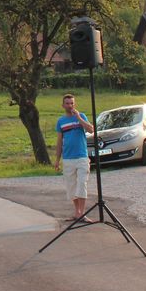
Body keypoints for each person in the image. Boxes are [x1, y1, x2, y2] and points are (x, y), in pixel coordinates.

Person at [53, 93, 94, 222]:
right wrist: (57, 160)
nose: (70, 105)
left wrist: (79, 118)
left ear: (74, 104)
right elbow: (59, 142)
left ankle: (82, 213)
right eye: (67, 103)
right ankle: (77, 213)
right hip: (68, 158)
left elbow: (91, 130)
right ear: (63, 105)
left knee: (82, 184)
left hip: (82, 156)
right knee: (71, 186)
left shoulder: (81, 116)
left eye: (72, 103)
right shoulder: (61, 121)